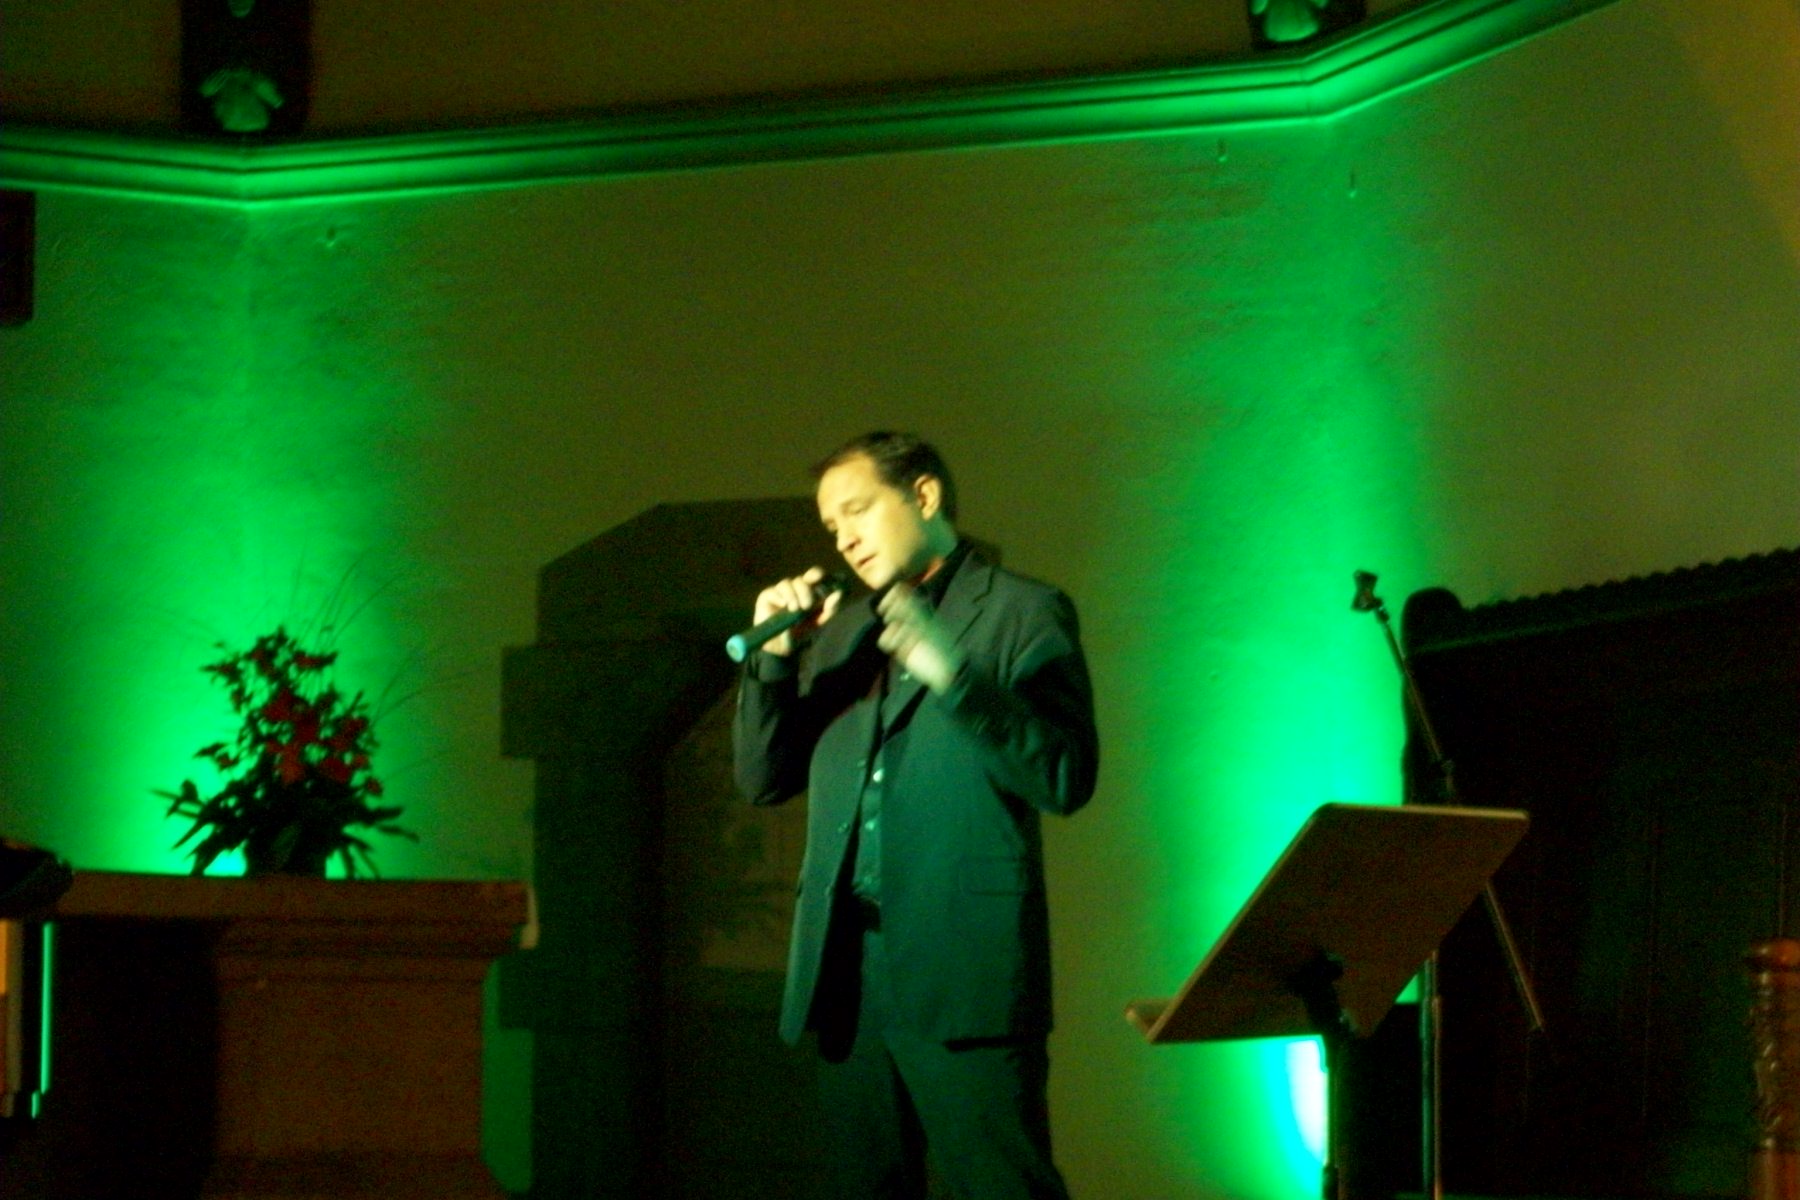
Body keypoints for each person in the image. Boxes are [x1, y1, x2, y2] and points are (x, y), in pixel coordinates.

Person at [733, 431, 1099, 1199]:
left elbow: (1064, 777)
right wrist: (773, 661)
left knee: (1002, 1188)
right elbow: (764, 780)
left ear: (924, 496)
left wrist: (954, 675)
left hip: (964, 971)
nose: (844, 538)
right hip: (846, 975)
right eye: (831, 526)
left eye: (858, 510)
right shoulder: (842, 633)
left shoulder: (1023, 611)